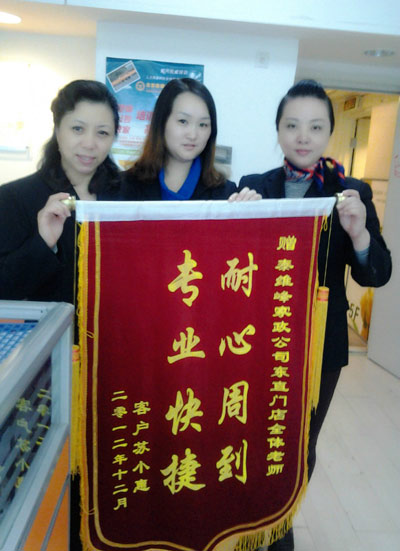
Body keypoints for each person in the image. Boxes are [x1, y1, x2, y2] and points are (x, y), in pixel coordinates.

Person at [239, 79, 392, 551]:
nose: (303, 136)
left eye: (315, 126)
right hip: (258, 340)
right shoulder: (253, 186)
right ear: (278, 131)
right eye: (292, 126)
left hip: (320, 345)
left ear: (329, 132)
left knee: (300, 442)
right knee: (253, 433)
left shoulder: (351, 191)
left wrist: (359, 233)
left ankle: (280, 524)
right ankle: (246, 521)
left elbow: (378, 273)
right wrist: (235, 221)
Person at [0, 79, 121, 305]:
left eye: (102, 132)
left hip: (116, 324)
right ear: (57, 130)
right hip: (55, 327)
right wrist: (44, 242)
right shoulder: (14, 198)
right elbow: (6, 289)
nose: (89, 143)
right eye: (78, 129)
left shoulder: (127, 194)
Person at [121, 77, 258, 202]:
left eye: (203, 125)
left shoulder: (225, 194)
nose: (193, 135)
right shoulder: (123, 187)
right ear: (161, 122)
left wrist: (250, 211)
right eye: (183, 121)